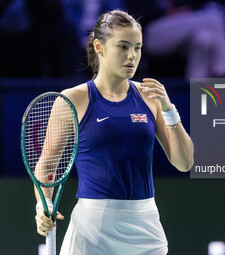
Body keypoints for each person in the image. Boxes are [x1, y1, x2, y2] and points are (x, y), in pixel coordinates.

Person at [34, 9, 194, 255]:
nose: (132, 56)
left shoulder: (151, 98)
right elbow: (47, 166)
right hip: (93, 226)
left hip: (145, 223)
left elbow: (185, 163)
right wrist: (42, 207)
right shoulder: (72, 99)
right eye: (123, 46)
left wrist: (169, 109)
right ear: (99, 47)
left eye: (138, 47)